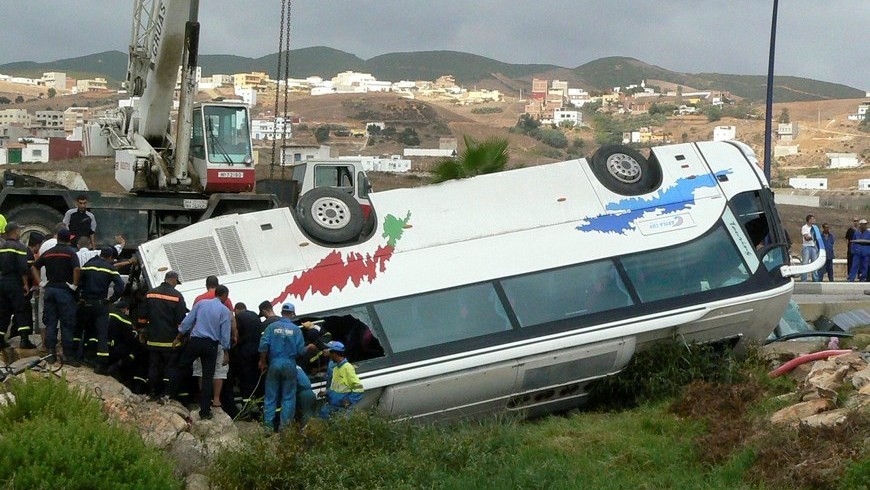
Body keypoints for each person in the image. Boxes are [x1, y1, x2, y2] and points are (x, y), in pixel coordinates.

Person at [173, 284, 233, 420]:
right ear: (224, 296)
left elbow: (187, 321)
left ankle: (168, 394)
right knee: (207, 377)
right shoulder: (224, 311)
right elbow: (225, 333)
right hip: (211, 345)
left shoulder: (201, 304)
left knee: (181, 367)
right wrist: (226, 351)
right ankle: (205, 411)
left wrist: (178, 337)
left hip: (195, 341)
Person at [31, 228, 80, 365]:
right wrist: (74, 285)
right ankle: (68, 355)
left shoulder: (48, 253)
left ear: (57, 238)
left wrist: (41, 283)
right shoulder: (71, 253)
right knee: (67, 323)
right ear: (69, 239)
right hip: (65, 291)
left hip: (50, 290)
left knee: (51, 323)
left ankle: (51, 354)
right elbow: (77, 269)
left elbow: (34, 267)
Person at [258, 302, 309, 432]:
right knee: (288, 397)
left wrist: (263, 362)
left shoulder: (272, 327)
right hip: (289, 364)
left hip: (274, 363)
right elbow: (301, 351)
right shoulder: (296, 330)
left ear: (281, 313)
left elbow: (263, 345)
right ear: (292, 314)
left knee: (270, 396)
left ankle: (268, 428)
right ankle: (285, 428)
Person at [191, 276, 238, 413]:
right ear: (218, 286)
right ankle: (216, 399)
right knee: (219, 370)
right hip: (218, 341)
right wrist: (234, 335)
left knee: (201, 370)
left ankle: (204, 397)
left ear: (206, 285)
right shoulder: (225, 299)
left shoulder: (199, 299)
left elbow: (194, 320)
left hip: (200, 340)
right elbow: (231, 319)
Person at [139, 270, 187, 401]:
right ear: (173, 280)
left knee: (153, 366)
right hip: (169, 341)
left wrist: (143, 330)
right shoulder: (177, 296)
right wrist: (181, 336)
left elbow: (142, 316)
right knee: (170, 367)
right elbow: (181, 321)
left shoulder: (150, 293)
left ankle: (152, 392)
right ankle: (166, 394)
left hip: (152, 339)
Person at [79, 247, 125, 371]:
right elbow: (120, 286)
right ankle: (101, 364)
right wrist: (111, 299)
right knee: (102, 333)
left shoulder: (88, 265)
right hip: (101, 304)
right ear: (110, 257)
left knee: (85, 330)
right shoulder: (110, 268)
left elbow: (79, 280)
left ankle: (83, 356)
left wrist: (80, 296)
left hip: (86, 303)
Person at [0, 222, 31, 350]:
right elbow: (23, 268)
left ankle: (0, 339)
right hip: (15, 282)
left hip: (2, 281)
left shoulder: (2, 246)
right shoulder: (20, 247)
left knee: (3, 311)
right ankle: (24, 340)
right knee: (20, 310)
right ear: (15, 231)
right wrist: (25, 284)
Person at [12, 232, 44, 350]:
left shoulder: (25, 252)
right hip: (23, 290)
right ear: (36, 245)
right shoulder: (29, 255)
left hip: (19, 288)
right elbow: (27, 272)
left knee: (19, 313)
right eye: (39, 246)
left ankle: (16, 335)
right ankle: (23, 339)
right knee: (24, 314)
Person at [318, 340, 364, 419]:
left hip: (342, 409)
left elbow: (358, 388)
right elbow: (336, 387)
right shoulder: (336, 369)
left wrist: (349, 400)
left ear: (334, 354)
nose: (329, 355)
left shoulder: (347, 368)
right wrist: (327, 392)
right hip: (332, 406)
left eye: (330, 352)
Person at [233, 302, 264, 415]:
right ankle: (261, 407)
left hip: (244, 353)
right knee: (257, 380)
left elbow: (235, 333)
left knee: (246, 381)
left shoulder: (238, 317)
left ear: (236, 310)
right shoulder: (255, 315)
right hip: (257, 352)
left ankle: (247, 410)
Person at [800, 214, 820, 282]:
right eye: (813, 219)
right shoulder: (804, 227)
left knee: (814, 264)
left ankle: (815, 280)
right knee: (805, 263)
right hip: (806, 247)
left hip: (813, 247)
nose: (814, 220)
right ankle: (804, 280)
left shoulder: (815, 227)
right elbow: (806, 238)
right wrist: (813, 236)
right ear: (809, 220)